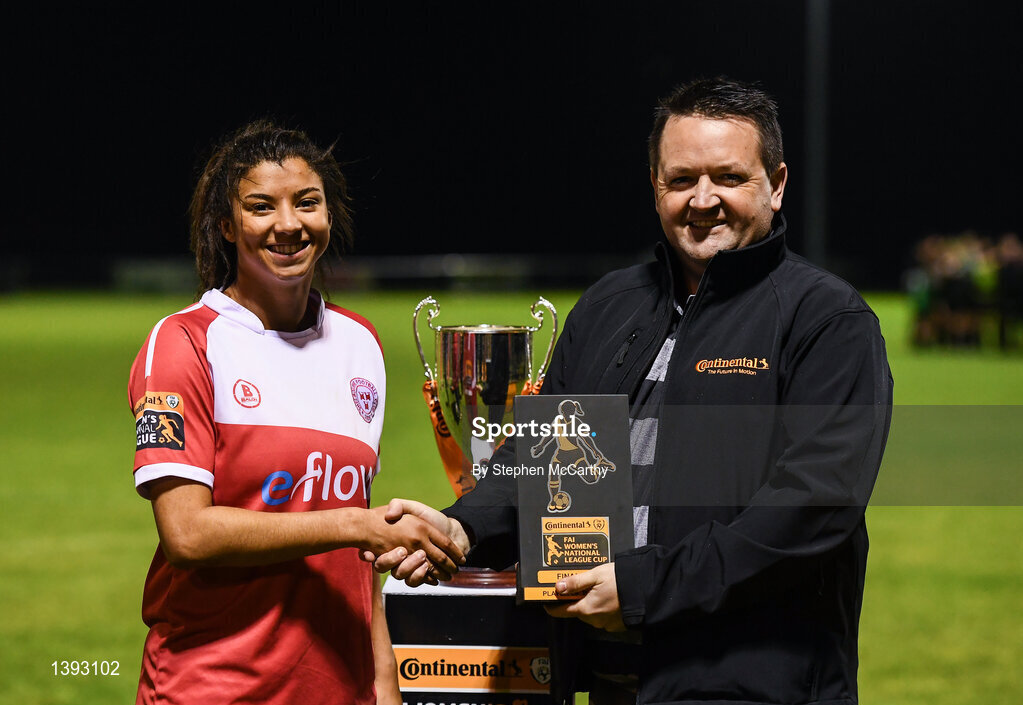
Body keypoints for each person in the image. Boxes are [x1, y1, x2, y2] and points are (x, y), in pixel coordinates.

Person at [371, 77, 892, 705]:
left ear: (776, 186)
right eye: (681, 180)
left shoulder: (827, 320)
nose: (703, 200)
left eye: (729, 177)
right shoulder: (607, 308)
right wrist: (462, 528)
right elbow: (540, 462)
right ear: (655, 188)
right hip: (603, 679)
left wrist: (644, 587)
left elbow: (810, 510)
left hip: (751, 683)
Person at [128, 120, 464, 705]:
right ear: (228, 227)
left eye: (307, 202)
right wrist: (356, 523)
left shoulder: (360, 343)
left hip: (339, 688)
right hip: (214, 687)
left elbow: (358, 569)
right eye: (262, 206)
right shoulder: (183, 343)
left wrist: (383, 686)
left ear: (328, 216)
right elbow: (187, 533)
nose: (289, 224)